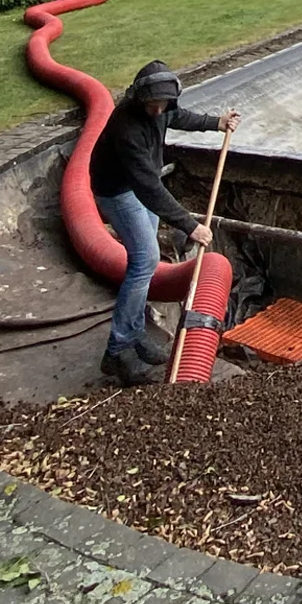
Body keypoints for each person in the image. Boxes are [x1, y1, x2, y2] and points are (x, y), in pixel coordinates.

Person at [89, 61, 239, 385]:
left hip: (142, 184)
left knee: (144, 261)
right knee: (145, 261)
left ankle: (136, 331)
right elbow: (147, 188)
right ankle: (117, 351)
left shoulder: (163, 106)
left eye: (163, 105)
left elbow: (179, 116)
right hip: (118, 190)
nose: (158, 112)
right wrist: (189, 225)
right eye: (152, 105)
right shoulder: (126, 128)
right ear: (140, 97)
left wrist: (217, 123)